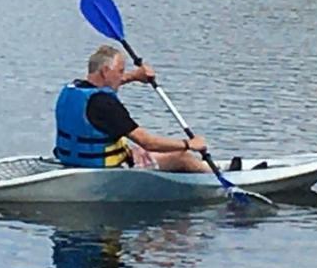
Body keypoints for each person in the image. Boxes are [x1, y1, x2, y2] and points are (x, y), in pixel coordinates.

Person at [54, 44, 209, 173]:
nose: (122, 76)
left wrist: (134, 76)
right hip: (106, 169)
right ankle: (216, 179)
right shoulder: (106, 105)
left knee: (139, 151)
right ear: (105, 72)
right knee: (181, 156)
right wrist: (189, 144)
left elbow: (101, 86)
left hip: (70, 159)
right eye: (120, 71)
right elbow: (148, 142)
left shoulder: (71, 90)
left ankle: (207, 168)